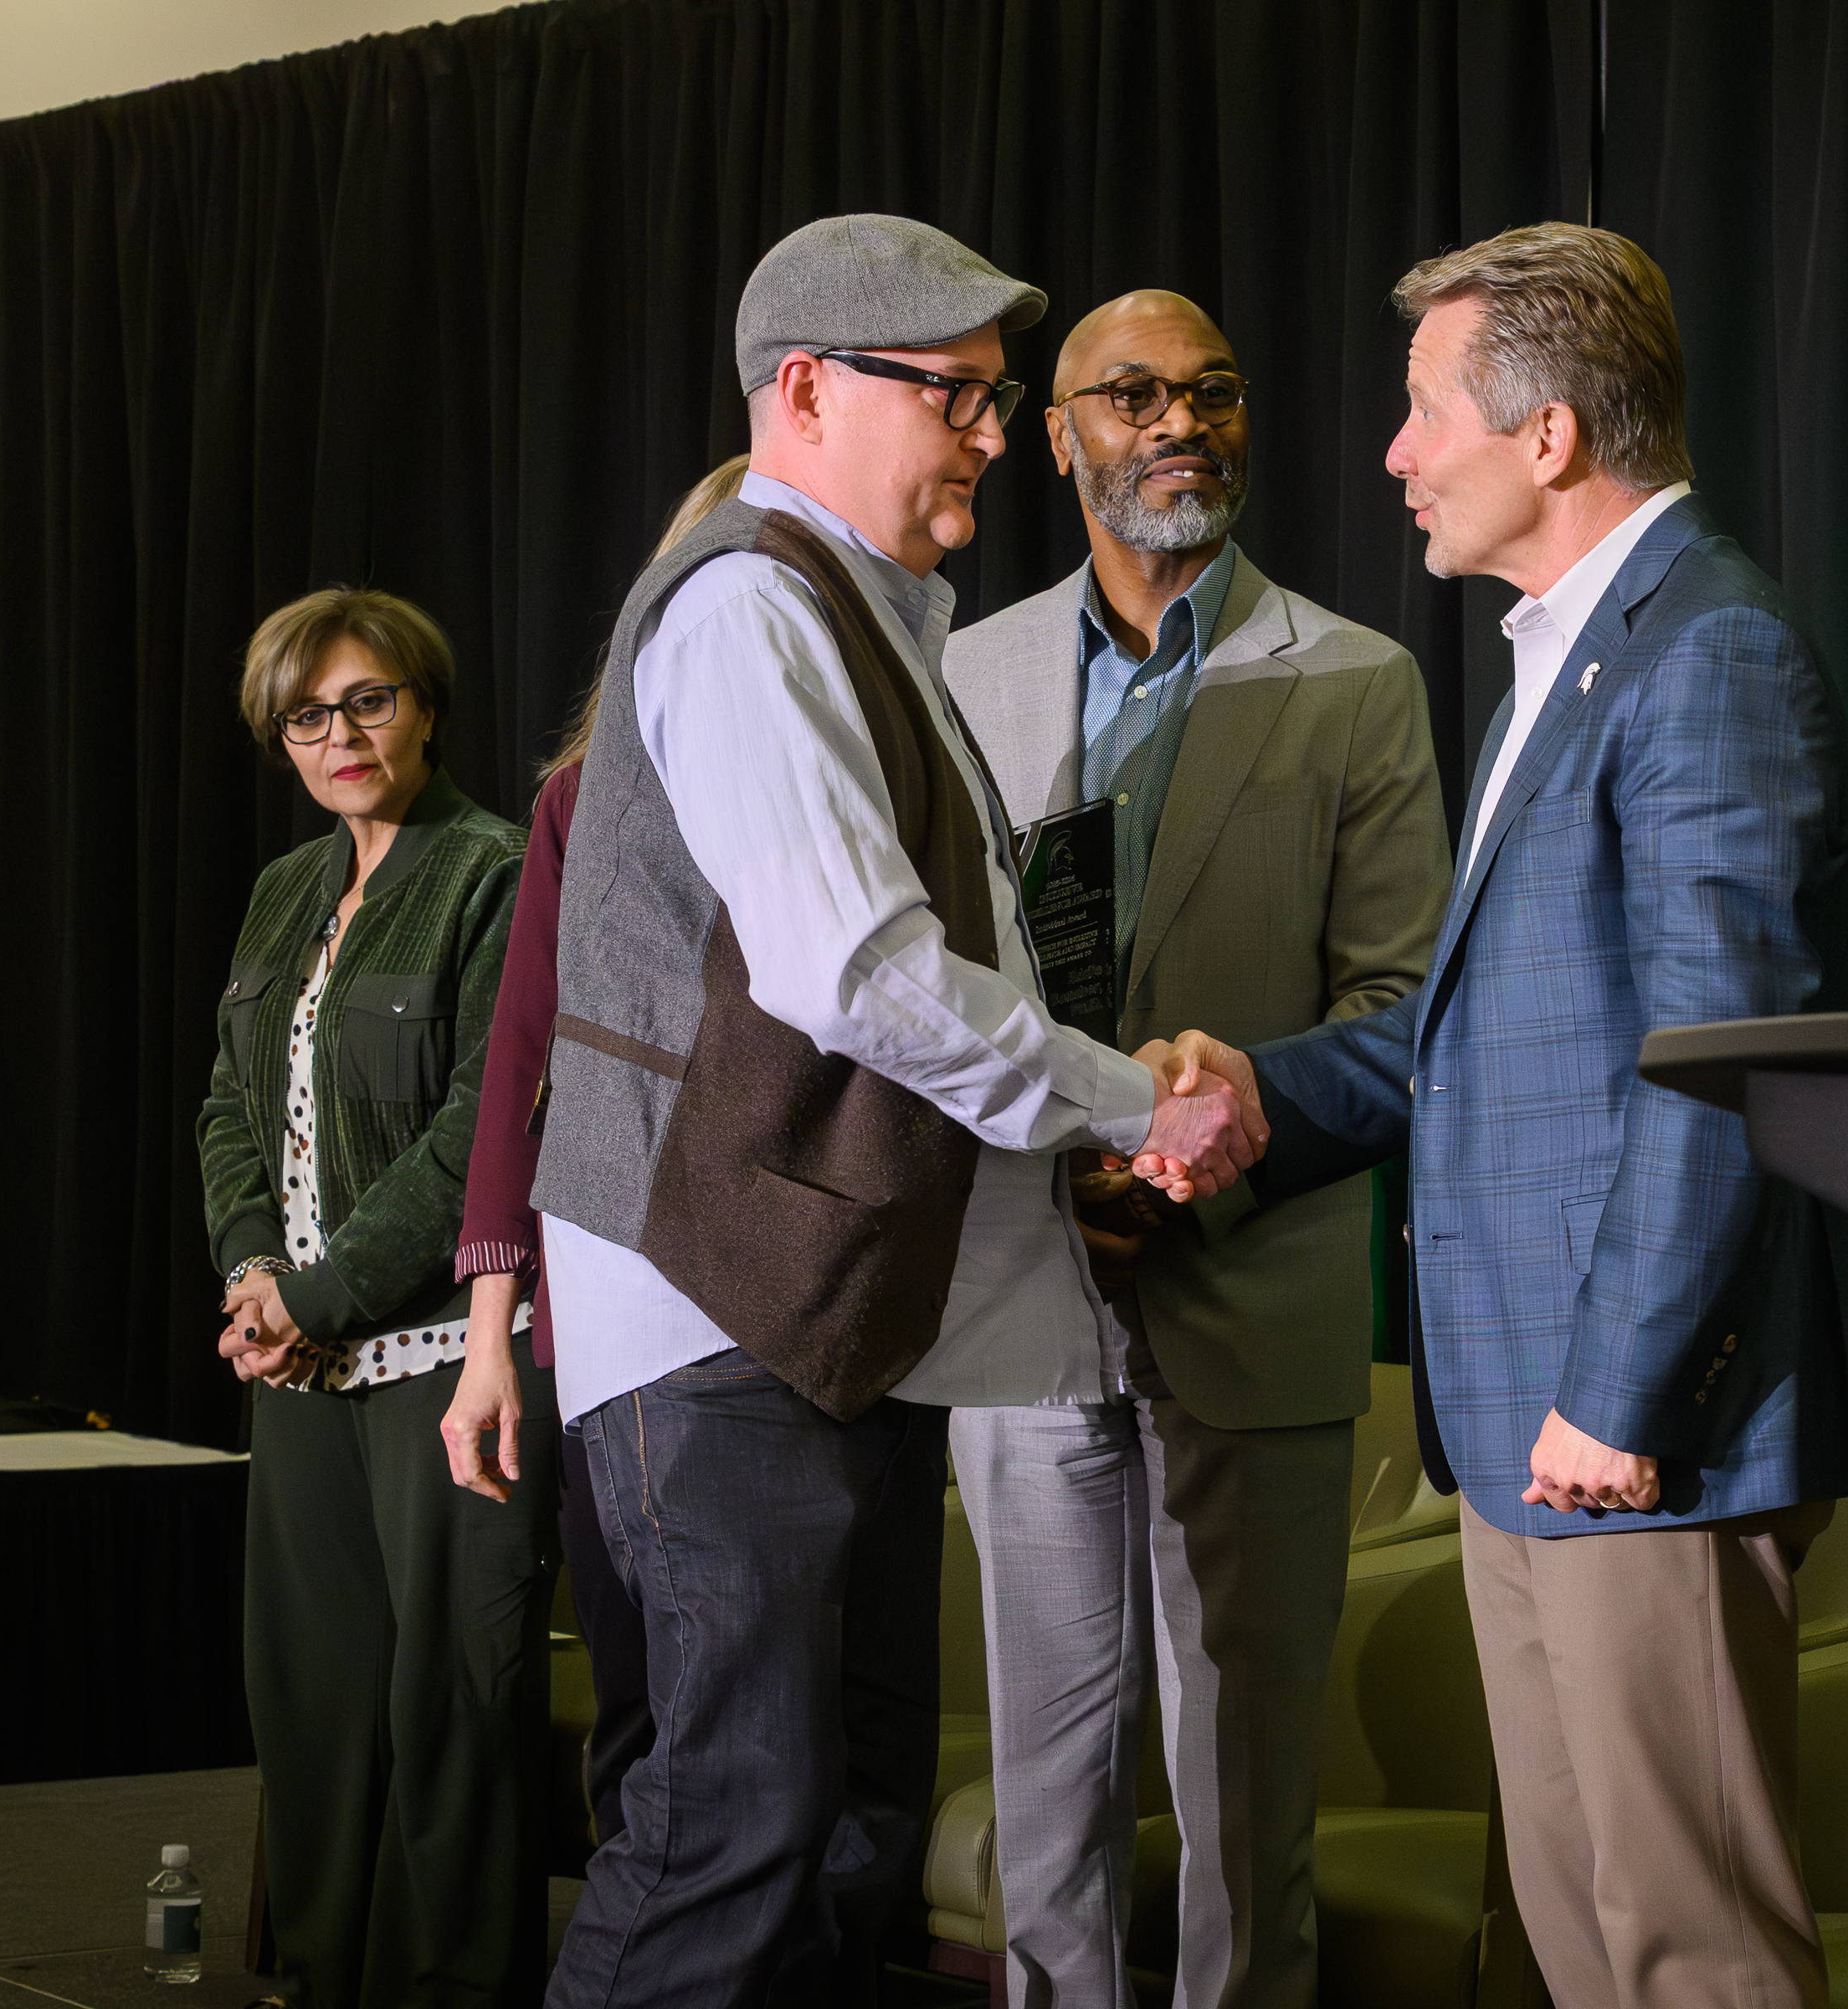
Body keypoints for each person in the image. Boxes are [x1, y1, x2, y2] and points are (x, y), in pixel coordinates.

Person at [527, 215, 1257, 2009]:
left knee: (830, 1847)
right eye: (957, 397)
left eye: (999, 401)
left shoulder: (848, 615)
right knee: (725, 1836)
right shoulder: (751, 608)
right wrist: (1123, 1103)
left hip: (806, 1327)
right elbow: (859, 974)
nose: (995, 441)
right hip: (714, 1323)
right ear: (803, 391)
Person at [1145, 223, 1848, 2008]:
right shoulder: (1570, 654)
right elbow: (1473, 1048)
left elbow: (1719, 1059)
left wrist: (1617, 1401)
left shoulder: (1711, 656)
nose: (1394, 454)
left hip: (1637, 1436)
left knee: (1689, 1950)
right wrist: (1254, 1098)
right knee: (1578, 1935)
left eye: (1421, 409)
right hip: (1525, 1429)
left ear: (1546, 437)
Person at [939, 291, 1450, 2006]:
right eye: (1136, 394)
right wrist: (1057, 1158)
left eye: (1214, 392)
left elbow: (1402, 1005)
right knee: (1046, 1817)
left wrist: (1201, 1143)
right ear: (1062, 431)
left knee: (1247, 1823)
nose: (1181, 422)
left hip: (1256, 1289)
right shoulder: (962, 674)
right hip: (1024, 1291)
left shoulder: (1357, 681)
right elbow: (920, 986)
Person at [196, 589, 550, 2007]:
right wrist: (249, 1277)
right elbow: (230, 1102)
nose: (340, 735)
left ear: (427, 706)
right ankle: (320, 1979)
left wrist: (327, 1291)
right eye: (307, 715)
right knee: (317, 1704)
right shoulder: (286, 891)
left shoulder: (498, 871)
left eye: (369, 701)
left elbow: (485, 1129)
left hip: (444, 1363)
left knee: (455, 1712)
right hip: (300, 1360)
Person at [439, 454, 748, 1858]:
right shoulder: (581, 798)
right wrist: (489, 1338)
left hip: (801, 1310)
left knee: (802, 1754)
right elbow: (522, 1070)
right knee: (652, 1729)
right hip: (622, 1322)